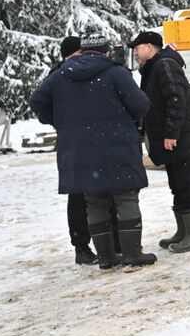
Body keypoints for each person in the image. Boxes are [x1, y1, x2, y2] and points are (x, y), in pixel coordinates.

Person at [30, 38, 157, 271]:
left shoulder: (60, 75)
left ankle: (107, 259)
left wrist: (61, 121)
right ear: (106, 53)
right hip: (117, 145)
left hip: (79, 150)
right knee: (125, 197)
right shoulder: (116, 73)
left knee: (95, 201)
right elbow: (141, 105)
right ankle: (131, 254)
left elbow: (36, 101)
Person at [130, 30, 190, 253]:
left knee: (187, 186)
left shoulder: (164, 65)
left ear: (149, 47)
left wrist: (171, 133)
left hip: (182, 140)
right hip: (177, 142)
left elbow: (177, 100)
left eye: (137, 47)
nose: (135, 52)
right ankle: (184, 231)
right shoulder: (156, 66)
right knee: (178, 186)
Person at [46, 36, 97, 264]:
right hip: (81, 141)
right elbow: (40, 104)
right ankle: (84, 246)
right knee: (81, 197)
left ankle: (87, 246)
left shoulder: (56, 76)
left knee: (85, 195)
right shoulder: (59, 76)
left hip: (75, 142)